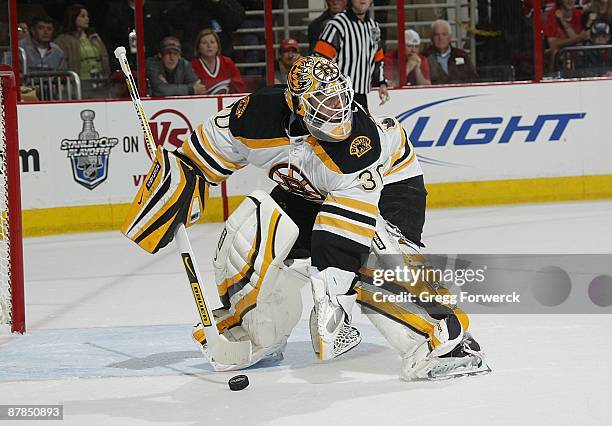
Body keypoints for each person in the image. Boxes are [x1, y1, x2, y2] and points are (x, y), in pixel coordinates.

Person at [121, 56, 490, 380]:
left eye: (340, 98)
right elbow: (207, 150)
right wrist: (179, 180)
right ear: (297, 105)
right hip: (309, 189)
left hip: (389, 189)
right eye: (324, 103)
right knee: (246, 236)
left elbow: (346, 232)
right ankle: (255, 332)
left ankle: (445, 337)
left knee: (372, 254)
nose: (338, 111)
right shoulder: (257, 116)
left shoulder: (355, 146)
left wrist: (333, 301)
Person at [314, 0, 389, 111]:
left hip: (362, 95)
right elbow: (320, 59)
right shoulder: (337, 25)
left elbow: (378, 59)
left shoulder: (374, 27)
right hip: (338, 96)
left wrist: (382, 83)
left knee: (363, 128)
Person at [54, 4, 110, 84]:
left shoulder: (94, 37)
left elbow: (104, 59)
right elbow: (61, 65)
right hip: (78, 84)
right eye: (82, 16)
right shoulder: (63, 40)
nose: (87, 19)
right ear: (73, 17)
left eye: (87, 16)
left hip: (100, 81)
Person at [191, 29, 245, 94]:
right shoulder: (193, 66)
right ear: (198, 47)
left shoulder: (227, 63)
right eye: (204, 43)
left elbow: (238, 86)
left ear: (218, 46)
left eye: (212, 42)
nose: (209, 46)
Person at [425, 19, 479, 84]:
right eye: (436, 35)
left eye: (444, 34)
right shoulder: (424, 57)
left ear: (450, 37)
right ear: (431, 38)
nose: (440, 38)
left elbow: (474, 80)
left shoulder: (461, 55)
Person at [544, 0, 588, 72]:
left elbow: (578, 43)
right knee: (555, 52)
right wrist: (579, 38)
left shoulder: (578, 14)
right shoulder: (551, 14)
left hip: (575, 53)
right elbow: (553, 44)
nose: (570, 1)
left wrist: (563, 22)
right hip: (558, 54)